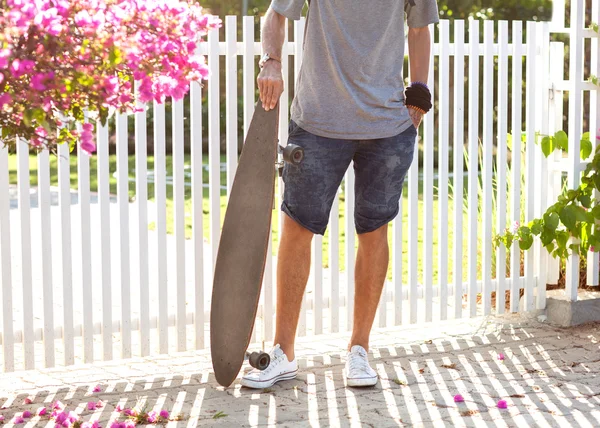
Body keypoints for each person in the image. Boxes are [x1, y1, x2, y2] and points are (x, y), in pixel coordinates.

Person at [240, 0, 439, 389]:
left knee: (374, 231)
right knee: (297, 229)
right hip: (317, 122)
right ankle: (283, 353)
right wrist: (272, 61)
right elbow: (276, 13)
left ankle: (359, 350)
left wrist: (419, 89)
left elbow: (419, 28)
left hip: (386, 127)